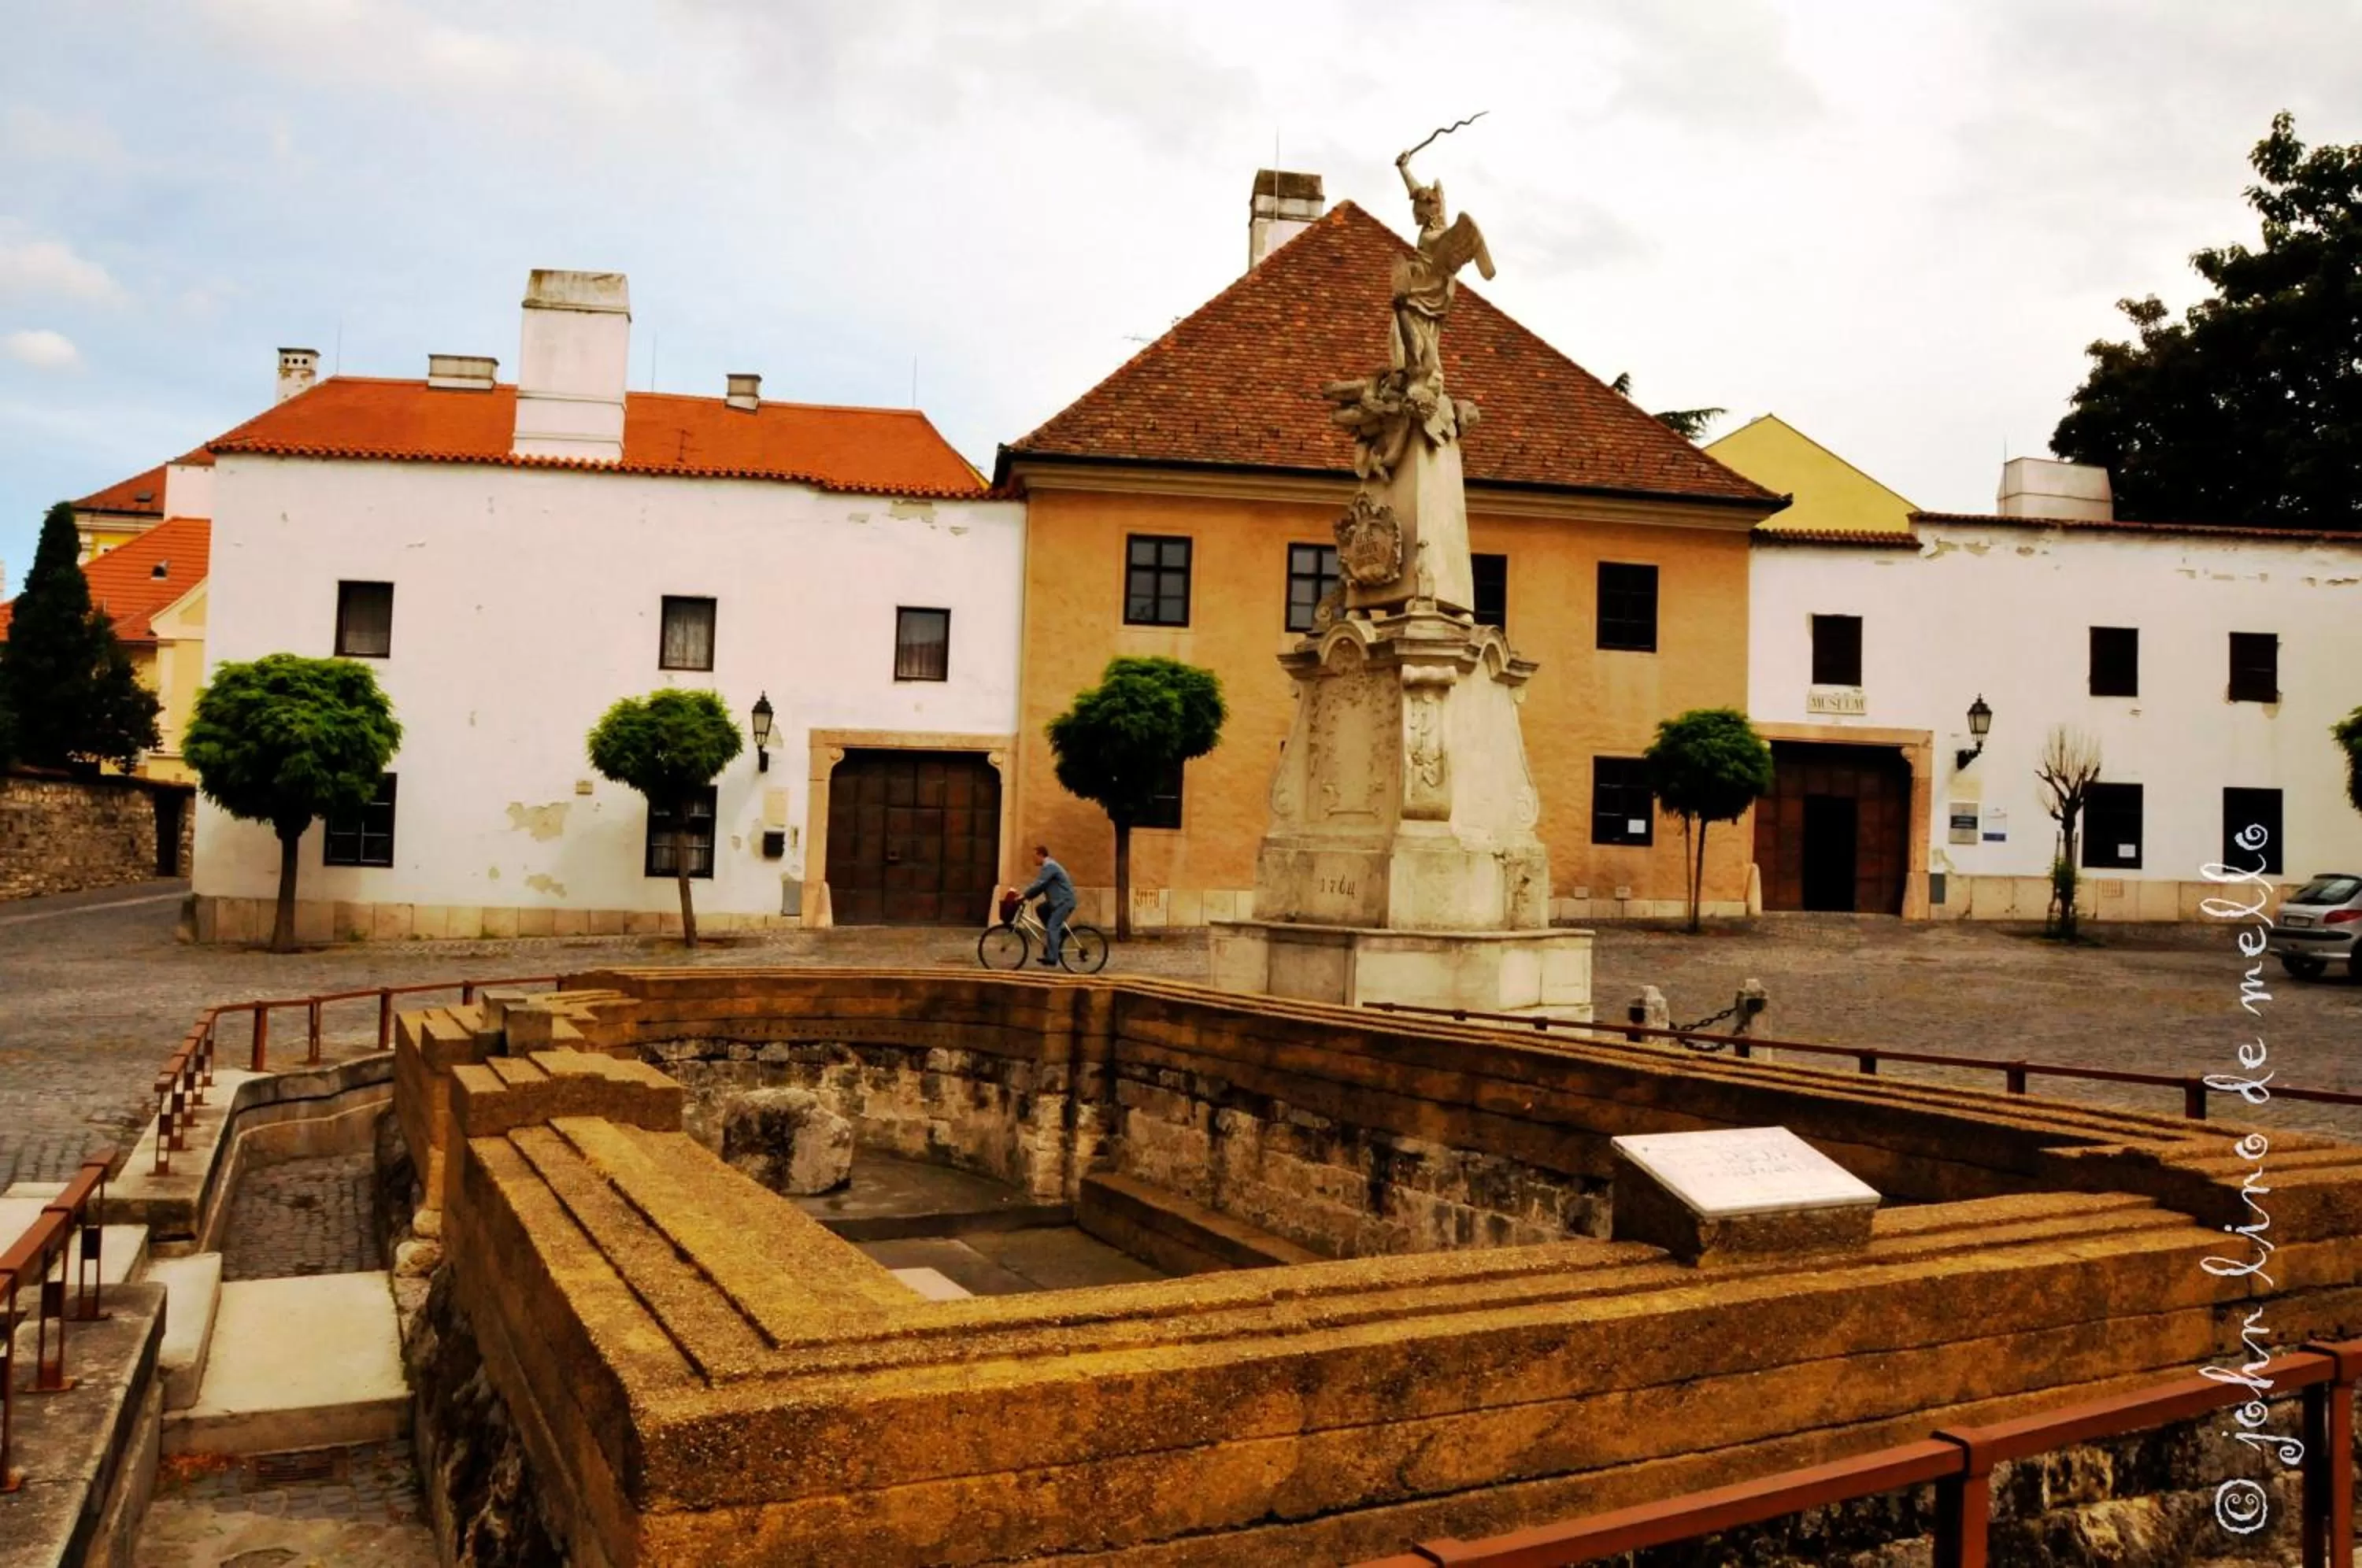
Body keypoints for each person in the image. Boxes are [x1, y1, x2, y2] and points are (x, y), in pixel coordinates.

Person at [1018, 845, 1077, 969]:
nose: (1033, 860)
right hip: (1056, 901)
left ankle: (1052, 958)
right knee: (1041, 909)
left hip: (1064, 902)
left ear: (1041, 855)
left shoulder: (1050, 866)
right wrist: (1027, 897)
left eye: (1034, 857)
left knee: (1052, 926)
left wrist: (1024, 896)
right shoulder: (1048, 866)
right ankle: (1059, 933)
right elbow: (1041, 887)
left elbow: (1039, 884)